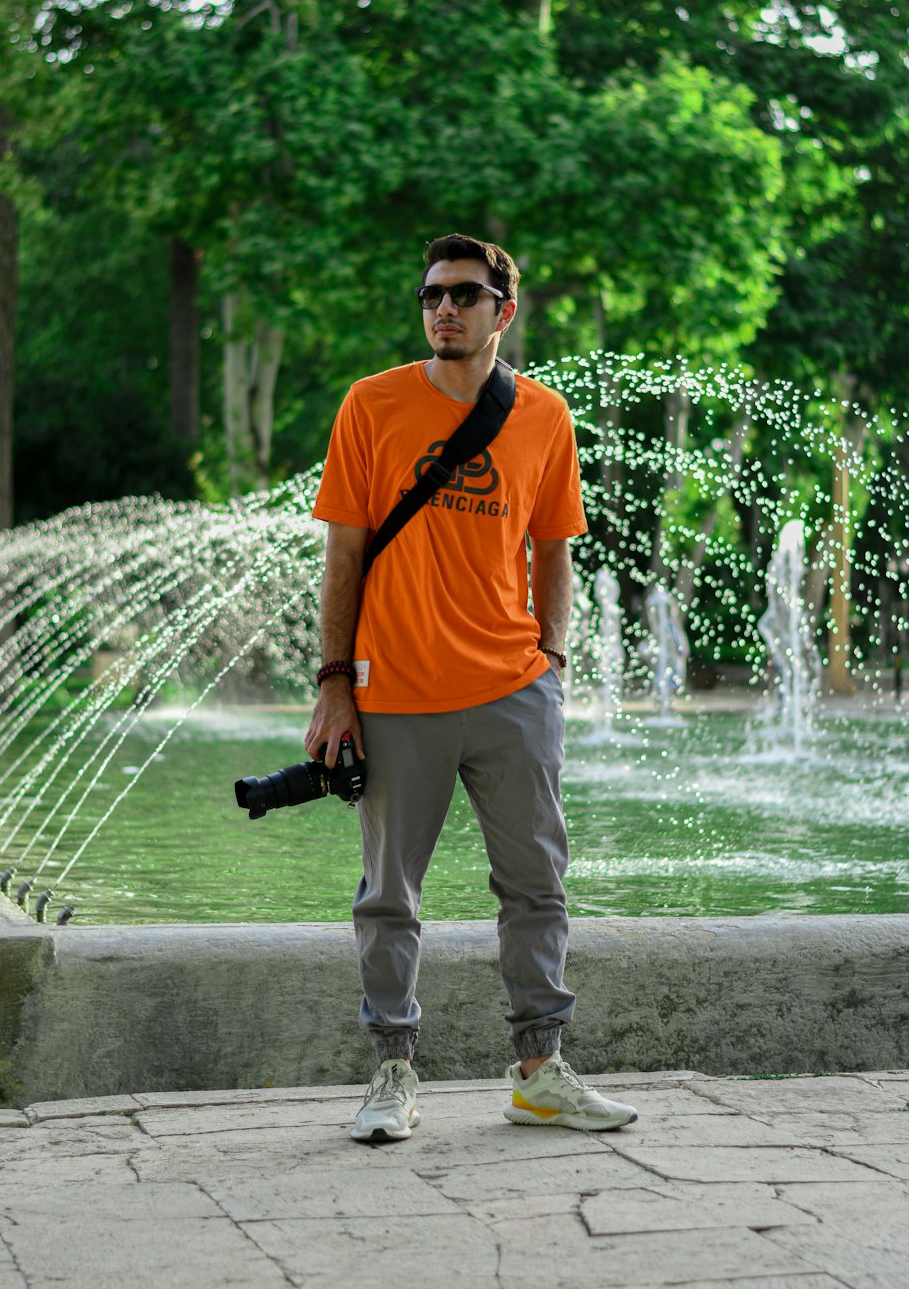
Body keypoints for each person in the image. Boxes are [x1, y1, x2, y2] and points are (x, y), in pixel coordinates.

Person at [305, 232, 636, 1143]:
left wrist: (553, 661)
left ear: (504, 310)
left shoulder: (544, 416)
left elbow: (553, 546)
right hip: (397, 692)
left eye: (463, 294)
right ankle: (392, 1073)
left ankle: (541, 1072)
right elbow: (343, 556)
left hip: (512, 691)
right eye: (430, 296)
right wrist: (335, 682)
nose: (443, 308)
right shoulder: (371, 405)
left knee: (537, 886)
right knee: (388, 896)